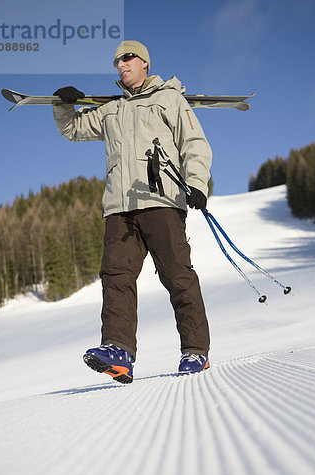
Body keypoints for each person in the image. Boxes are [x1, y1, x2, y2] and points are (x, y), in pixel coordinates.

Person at [53, 40, 212, 384]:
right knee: (116, 278)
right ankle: (118, 352)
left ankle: (196, 350)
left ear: (144, 63)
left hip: (161, 201)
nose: (120, 66)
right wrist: (64, 106)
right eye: (116, 62)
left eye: (127, 59)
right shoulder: (112, 110)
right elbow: (74, 130)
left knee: (177, 276)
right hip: (119, 209)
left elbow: (194, 143)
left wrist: (198, 183)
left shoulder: (168, 98)